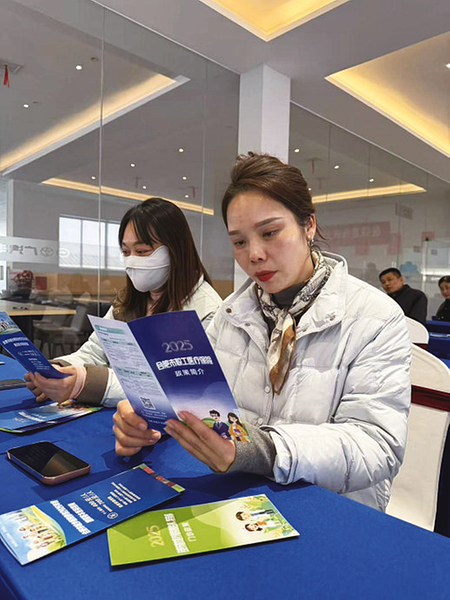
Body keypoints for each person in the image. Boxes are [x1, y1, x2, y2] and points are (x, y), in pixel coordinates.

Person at [113, 153, 411, 511]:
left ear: (308, 226)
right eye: (239, 242)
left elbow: (376, 446)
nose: (254, 254)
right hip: (240, 496)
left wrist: (264, 450)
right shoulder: (231, 315)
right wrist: (148, 417)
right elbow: (199, 403)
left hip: (332, 507)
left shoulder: (375, 318)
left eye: (270, 233)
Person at [24, 198, 222, 407]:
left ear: (176, 249)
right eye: (126, 252)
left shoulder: (207, 311)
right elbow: (95, 351)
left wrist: (84, 382)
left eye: (142, 251)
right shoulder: (127, 301)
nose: (132, 261)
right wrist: (58, 371)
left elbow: (176, 386)